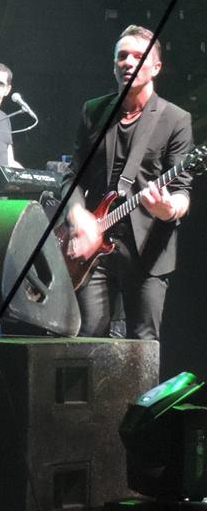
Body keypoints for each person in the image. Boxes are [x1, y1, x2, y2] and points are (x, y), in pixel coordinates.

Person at [63, 25, 193, 340]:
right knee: (89, 340)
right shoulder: (94, 111)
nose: (128, 62)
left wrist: (168, 209)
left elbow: (182, 191)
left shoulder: (175, 119)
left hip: (149, 250)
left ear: (156, 67)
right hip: (94, 247)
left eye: (138, 56)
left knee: (143, 344)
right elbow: (72, 177)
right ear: (113, 65)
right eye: (122, 56)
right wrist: (78, 215)